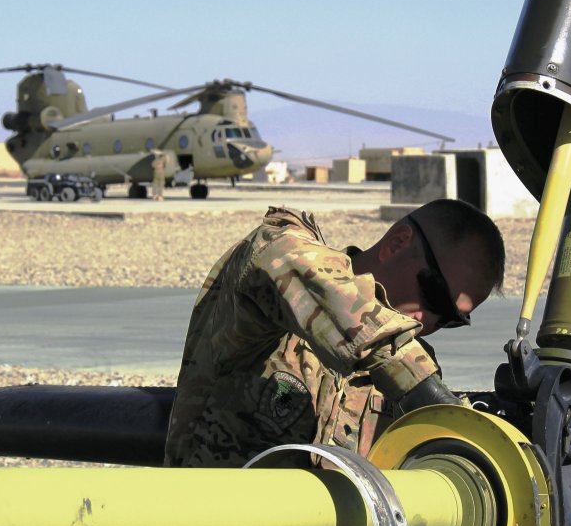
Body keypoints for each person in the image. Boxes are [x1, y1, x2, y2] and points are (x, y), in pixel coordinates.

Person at [164, 198, 505, 468]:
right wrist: (428, 395)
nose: (426, 321)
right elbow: (279, 252)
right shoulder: (282, 271)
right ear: (397, 243)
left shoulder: (413, 370)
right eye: (434, 296)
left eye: (449, 319)